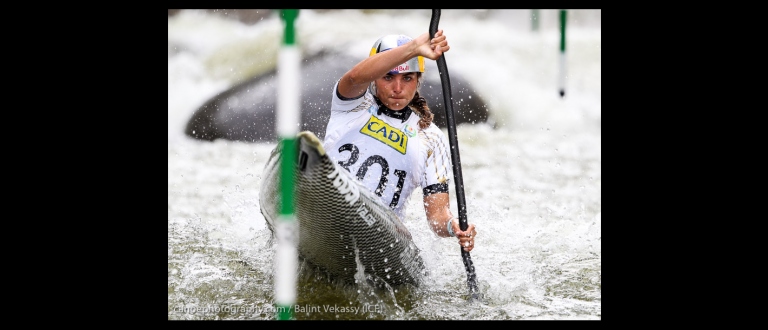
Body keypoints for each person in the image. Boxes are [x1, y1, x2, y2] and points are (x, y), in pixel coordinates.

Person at [322, 30, 477, 252]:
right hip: (329, 204)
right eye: (388, 76)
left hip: (380, 235)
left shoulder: (431, 137)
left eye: (407, 78)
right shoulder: (352, 104)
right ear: (375, 77)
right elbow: (356, 77)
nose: (397, 88)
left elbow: (437, 216)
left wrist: (454, 227)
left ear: (417, 80)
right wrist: (413, 49)